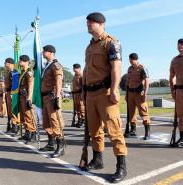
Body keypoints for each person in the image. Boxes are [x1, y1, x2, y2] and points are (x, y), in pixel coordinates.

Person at [83, 12, 127, 183]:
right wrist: (84, 91)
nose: (88, 25)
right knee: (94, 130)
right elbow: (87, 70)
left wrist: (115, 89)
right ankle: (98, 159)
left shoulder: (111, 43)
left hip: (105, 92)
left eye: (91, 22)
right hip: (90, 94)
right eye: (87, 22)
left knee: (114, 130)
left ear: (101, 24)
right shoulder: (89, 46)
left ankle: (121, 166)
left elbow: (116, 67)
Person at [40, 45, 65, 158]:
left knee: (55, 121)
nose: (42, 52)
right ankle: (51, 143)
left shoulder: (55, 65)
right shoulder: (47, 66)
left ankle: (60, 147)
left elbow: (58, 81)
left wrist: (57, 96)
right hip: (45, 97)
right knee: (46, 121)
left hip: (51, 96)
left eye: (44, 51)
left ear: (51, 52)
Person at [124, 53, 151, 140]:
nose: (130, 61)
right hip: (130, 93)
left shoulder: (142, 68)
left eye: (131, 59)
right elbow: (128, 81)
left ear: (135, 59)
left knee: (143, 112)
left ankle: (147, 132)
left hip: (139, 94)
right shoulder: (129, 69)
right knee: (131, 113)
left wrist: (145, 93)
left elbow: (147, 80)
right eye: (129, 60)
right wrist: (126, 94)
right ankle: (133, 130)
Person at [18, 55, 36, 142]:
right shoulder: (22, 72)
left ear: (25, 61)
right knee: (24, 116)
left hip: (27, 97)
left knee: (29, 116)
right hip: (21, 97)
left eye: (20, 61)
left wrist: (29, 98)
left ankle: (33, 133)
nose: (19, 62)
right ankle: (27, 132)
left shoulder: (29, 72)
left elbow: (31, 86)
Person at [4, 57, 20, 134]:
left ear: (10, 63)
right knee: (10, 111)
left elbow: (15, 84)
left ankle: (15, 126)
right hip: (8, 93)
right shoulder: (9, 72)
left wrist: (12, 94)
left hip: (12, 93)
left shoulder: (14, 72)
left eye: (6, 63)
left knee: (13, 110)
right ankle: (13, 126)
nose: (5, 64)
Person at [72, 63, 85, 128]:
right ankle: (79, 120)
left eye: (75, 68)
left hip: (80, 94)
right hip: (75, 94)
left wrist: (83, 93)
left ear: (79, 68)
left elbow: (83, 86)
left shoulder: (81, 75)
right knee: (77, 108)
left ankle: (83, 120)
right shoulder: (74, 75)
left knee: (81, 108)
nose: (74, 69)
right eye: (74, 68)